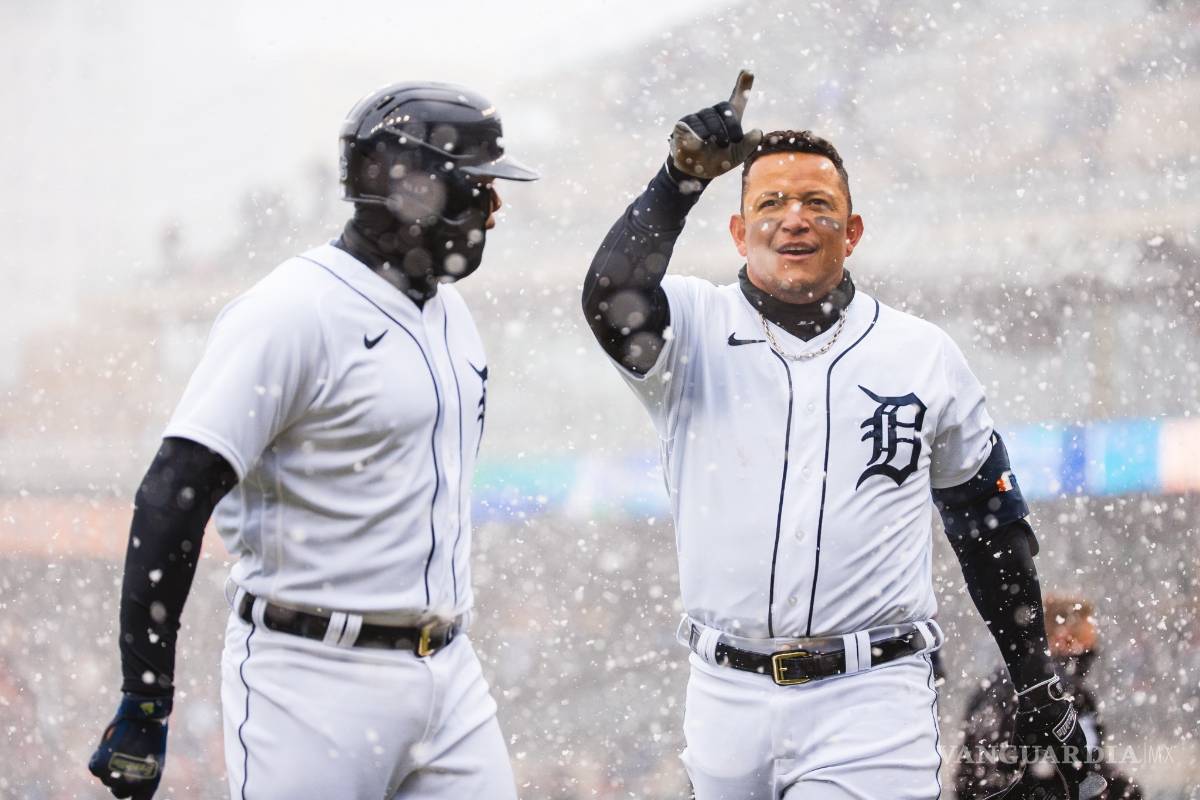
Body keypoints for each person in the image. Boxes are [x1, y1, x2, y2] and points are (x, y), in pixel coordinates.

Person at [581, 70, 1107, 800]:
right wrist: (677, 182)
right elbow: (610, 300)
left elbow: (990, 524)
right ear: (738, 231)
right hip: (722, 693)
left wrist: (1034, 677)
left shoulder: (921, 354)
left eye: (818, 204)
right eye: (770, 202)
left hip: (870, 694)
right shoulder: (693, 328)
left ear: (852, 232)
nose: (794, 218)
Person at [88, 81, 538, 800]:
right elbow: (171, 495)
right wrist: (147, 698)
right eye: (476, 190)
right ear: (414, 191)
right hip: (310, 677)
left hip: (449, 667)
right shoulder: (290, 312)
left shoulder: (451, 312)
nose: (492, 210)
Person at [955, 595, 1142, 799]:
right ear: (1063, 639)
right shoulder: (1065, 691)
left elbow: (969, 771)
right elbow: (1086, 769)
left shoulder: (991, 686)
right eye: (1087, 646)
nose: (1090, 656)